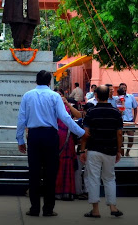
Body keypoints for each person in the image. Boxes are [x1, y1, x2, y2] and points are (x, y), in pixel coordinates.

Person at [16, 70, 85, 217]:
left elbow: (21, 119)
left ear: (36, 81)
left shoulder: (28, 96)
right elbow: (66, 118)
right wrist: (82, 133)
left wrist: (20, 140)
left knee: (34, 173)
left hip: (34, 136)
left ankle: (34, 209)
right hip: (50, 136)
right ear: (49, 82)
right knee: (50, 173)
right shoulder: (55, 96)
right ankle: (48, 209)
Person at [80, 85, 124, 218]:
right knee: (110, 178)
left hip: (94, 149)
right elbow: (120, 134)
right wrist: (118, 150)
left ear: (96, 96)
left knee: (93, 179)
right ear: (109, 96)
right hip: (110, 150)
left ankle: (95, 210)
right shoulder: (116, 113)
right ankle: (113, 207)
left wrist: (82, 150)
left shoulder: (91, 113)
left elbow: (86, 134)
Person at [54, 88, 82, 201]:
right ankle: (56, 192)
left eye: (60, 94)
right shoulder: (51, 107)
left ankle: (68, 192)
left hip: (67, 140)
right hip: (55, 140)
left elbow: (78, 115)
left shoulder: (67, 107)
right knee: (56, 167)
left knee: (67, 165)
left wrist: (68, 104)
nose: (58, 97)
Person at [117, 83, 138, 156]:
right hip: (120, 121)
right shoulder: (117, 98)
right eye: (122, 87)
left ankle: (127, 152)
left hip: (129, 120)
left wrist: (134, 118)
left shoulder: (131, 97)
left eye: (124, 87)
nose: (123, 89)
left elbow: (135, 108)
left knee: (131, 138)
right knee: (120, 138)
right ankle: (121, 153)